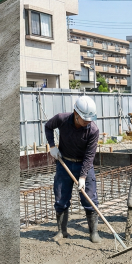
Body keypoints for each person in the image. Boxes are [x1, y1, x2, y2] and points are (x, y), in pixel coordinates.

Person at [45, 95, 101, 243]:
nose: (88, 122)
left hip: (84, 165)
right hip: (65, 163)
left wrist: (83, 177)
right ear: (76, 114)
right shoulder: (62, 119)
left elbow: (90, 156)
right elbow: (48, 126)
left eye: (90, 119)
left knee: (90, 199)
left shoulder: (93, 130)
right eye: (85, 119)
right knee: (61, 199)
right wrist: (52, 146)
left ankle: (93, 233)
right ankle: (62, 231)